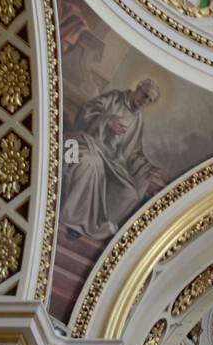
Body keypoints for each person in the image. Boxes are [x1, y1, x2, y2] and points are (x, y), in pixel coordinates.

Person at [61, 78, 167, 242]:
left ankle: (97, 225)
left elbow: (134, 154)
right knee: (91, 165)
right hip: (86, 143)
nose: (144, 101)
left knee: (129, 193)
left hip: (111, 161)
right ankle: (76, 224)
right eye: (144, 95)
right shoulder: (115, 98)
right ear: (137, 88)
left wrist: (148, 168)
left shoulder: (137, 121)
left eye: (149, 100)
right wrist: (107, 121)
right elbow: (88, 110)